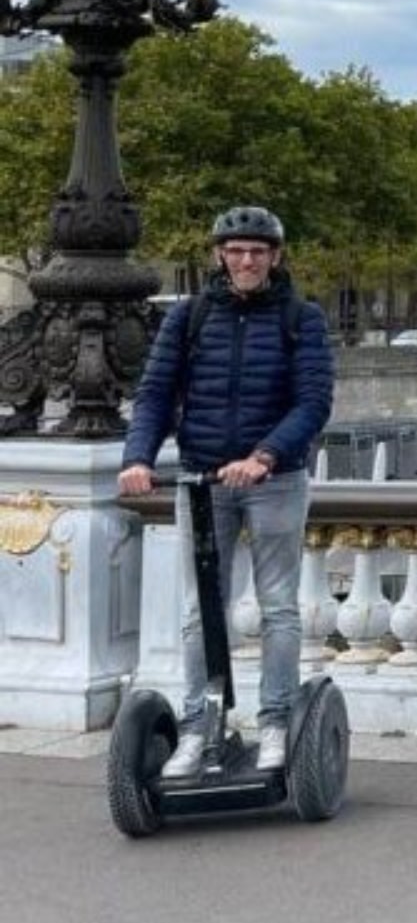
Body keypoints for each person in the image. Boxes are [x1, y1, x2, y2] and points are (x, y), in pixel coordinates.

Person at [117, 207, 335, 777]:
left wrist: (264, 456)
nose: (246, 260)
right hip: (201, 477)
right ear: (219, 255)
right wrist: (137, 458)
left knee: (278, 608)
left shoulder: (300, 317)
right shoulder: (188, 317)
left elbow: (313, 402)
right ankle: (199, 726)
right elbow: (155, 394)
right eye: (236, 250)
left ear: (275, 258)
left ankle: (274, 722)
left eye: (258, 251)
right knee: (199, 611)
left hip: (275, 480)